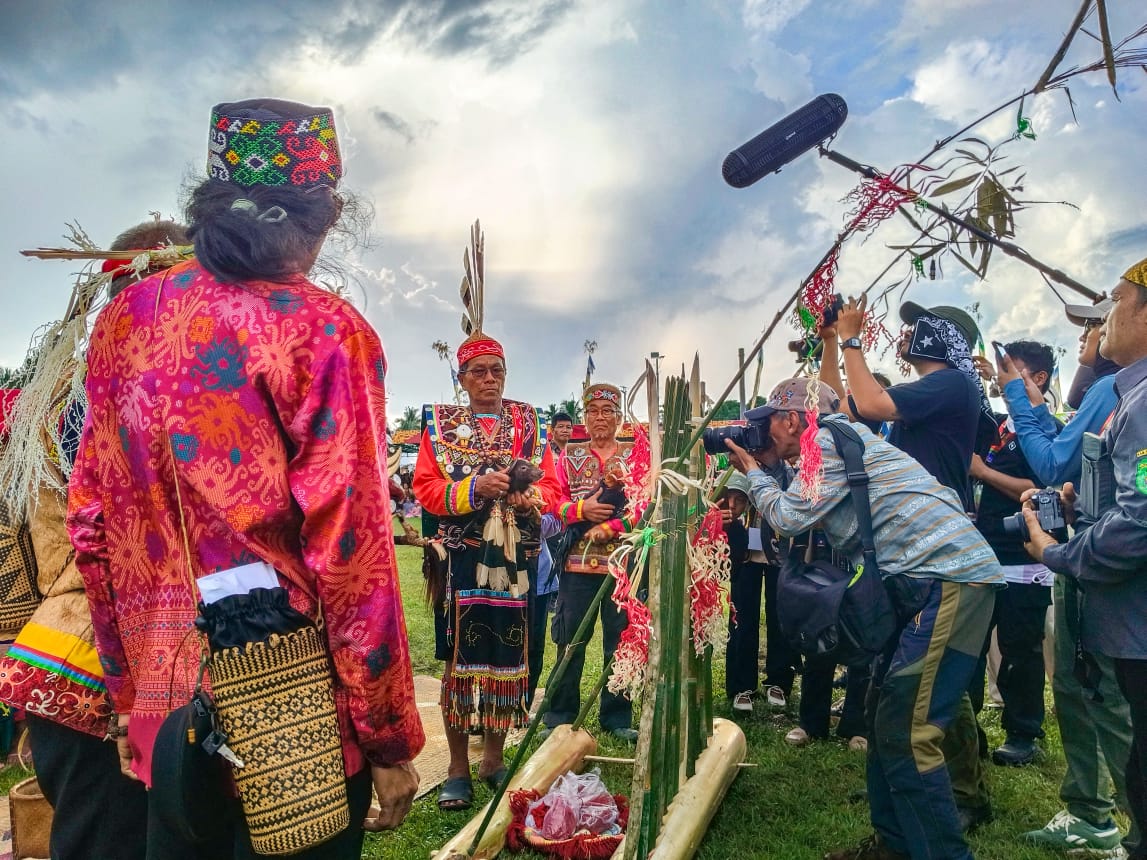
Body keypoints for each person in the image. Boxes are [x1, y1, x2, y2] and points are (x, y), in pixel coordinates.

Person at [66, 99, 424, 858]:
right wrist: (387, 735)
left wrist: (127, 695)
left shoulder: (124, 321)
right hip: (294, 709)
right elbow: (351, 546)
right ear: (327, 217)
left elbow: (92, 521)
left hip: (164, 701)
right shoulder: (322, 327)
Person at [725, 376, 1002, 860]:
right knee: (883, 716)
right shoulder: (834, 439)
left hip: (947, 578)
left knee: (909, 731)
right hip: (926, 579)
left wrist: (752, 472)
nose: (761, 434)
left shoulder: (823, 440)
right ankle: (892, 847)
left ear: (792, 419)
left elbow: (789, 518)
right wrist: (766, 466)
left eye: (766, 423)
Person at [0, 218, 188, 860]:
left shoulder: (47, 406)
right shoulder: (189, 391)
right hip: (135, 671)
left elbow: (30, 553)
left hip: (55, 661)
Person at [825, 297, 996, 830]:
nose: (906, 335)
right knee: (910, 678)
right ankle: (913, 779)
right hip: (909, 551)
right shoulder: (925, 395)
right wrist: (831, 341)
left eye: (917, 327)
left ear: (945, 337)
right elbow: (840, 408)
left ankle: (963, 792)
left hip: (937, 554)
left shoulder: (954, 384)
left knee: (931, 687)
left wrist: (852, 339)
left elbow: (872, 405)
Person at [999, 302, 1134, 856]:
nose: (1091, 332)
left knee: (1102, 693)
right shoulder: (1113, 390)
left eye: (1106, 313)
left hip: (1098, 562)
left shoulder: (1117, 390)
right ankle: (1091, 810)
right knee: (1088, 687)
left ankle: (1115, 821)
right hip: (1098, 550)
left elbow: (1053, 463)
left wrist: (1015, 396)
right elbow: (1079, 455)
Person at [412, 327, 560, 811]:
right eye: (478, 371)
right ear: (462, 378)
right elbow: (426, 488)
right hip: (462, 560)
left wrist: (529, 496)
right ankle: (457, 768)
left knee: (509, 658)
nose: (489, 379)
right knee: (457, 662)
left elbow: (553, 489)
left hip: (517, 562)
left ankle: (493, 760)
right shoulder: (441, 425)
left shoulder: (530, 424)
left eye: (497, 370)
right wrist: (475, 488)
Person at [970, 340, 1062, 768]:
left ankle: (1024, 733)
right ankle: (964, 730)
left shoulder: (1044, 431)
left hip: (1023, 558)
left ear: (1038, 379)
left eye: (1014, 371)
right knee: (970, 645)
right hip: (982, 552)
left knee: (1020, 649)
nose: (1003, 377)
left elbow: (1041, 486)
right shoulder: (999, 427)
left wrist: (984, 472)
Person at [544, 383, 640, 743]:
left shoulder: (633, 456)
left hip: (622, 563)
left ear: (619, 418)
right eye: (594, 411)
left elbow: (646, 504)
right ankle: (560, 715)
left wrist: (614, 526)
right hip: (576, 565)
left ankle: (617, 717)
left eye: (607, 411)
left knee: (621, 642)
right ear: (585, 418)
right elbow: (553, 501)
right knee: (570, 640)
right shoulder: (568, 456)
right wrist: (581, 510)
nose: (600, 417)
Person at [720, 473, 756, 709]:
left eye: (740, 501)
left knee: (742, 617)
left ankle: (742, 687)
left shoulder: (740, 532)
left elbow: (732, 573)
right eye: (727, 498)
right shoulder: (699, 519)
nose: (732, 506)